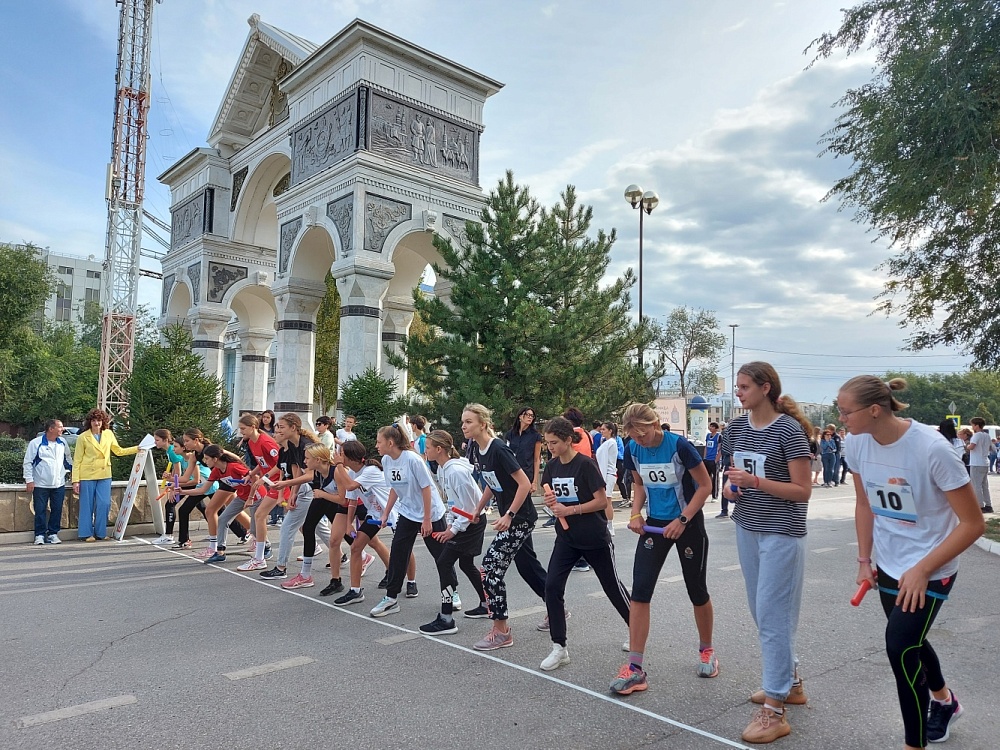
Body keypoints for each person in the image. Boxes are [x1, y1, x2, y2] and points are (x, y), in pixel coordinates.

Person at [840, 376, 984, 749]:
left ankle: (913, 743)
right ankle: (944, 701)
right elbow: (863, 504)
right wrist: (863, 559)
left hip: (932, 566)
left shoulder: (932, 449)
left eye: (845, 411)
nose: (840, 419)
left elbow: (972, 523)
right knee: (912, 641)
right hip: (888, 563)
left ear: (874, 410)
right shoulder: (855, 443)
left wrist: (922, 569)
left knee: (899, 645)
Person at [721, 361, 813, 744]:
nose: (738, 392)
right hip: (748, 526)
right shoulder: (736, 428)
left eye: (744, 386)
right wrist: (731, 490)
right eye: (736, 386)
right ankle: (790, 681)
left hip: (782, 532)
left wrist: (756, 480)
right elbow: (729, 476)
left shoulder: (789, 431)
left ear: (765, 388)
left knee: (774, 616)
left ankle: (774, 711)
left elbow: (803, 491)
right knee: (762, 611)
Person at [610, 403, 717, 696]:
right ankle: (635, 669)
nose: (639, 441)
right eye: (634, 436)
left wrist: (683, 520)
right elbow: (639, 484)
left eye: (642, 435)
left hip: (687, 523)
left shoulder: (679, 446)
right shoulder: (633, 448)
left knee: (697, 590)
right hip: (655, 525)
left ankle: (707, 650)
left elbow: (705, 486)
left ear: (655, 425)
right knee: (640, 591)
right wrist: (635, 513)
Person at [540, 417, 631, 671]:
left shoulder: (585, 465)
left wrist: (571, 510)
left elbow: (602, 501)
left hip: (594, 538)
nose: (551, 448)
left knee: (612, 587)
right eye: (548, 443)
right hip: (566, 539)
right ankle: (560, 647)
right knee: (552, 586)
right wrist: (550, 502)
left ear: (569, 440)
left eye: (555, 442)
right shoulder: (552, 466)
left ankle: (637, 629)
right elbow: (548, 494)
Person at [464, 403, 548, 651]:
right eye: (463, 422)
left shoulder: (499, 448)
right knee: (528, 567)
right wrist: (478, 508)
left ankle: (501, 631)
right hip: (511, 517)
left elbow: (523, 484)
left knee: (489, 569)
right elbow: (492, 482)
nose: (464, 426)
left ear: (483, 423)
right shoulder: (479, 449)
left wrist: (509, 514)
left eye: (468, 421)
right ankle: (557, 609)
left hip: (520, 518)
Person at [367, 424, 451, 617]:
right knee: (398, 552)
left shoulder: (412, 459)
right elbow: (394, 488)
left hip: (431, 512)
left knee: (441, 556)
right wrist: (386, 513)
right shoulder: (387, 460)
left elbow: (426, 488)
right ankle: (391, 598)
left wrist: (427, 519)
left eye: (379, 442)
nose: (376, 445)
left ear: (390, 442)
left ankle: (451, 592)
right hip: (408, 512)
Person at [419, 430, 491, 634]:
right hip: (465, 521)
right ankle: (487, 604)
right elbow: (453, 503)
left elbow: (471, 508)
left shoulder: (455, 472)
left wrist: (454, 530)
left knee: (444, 562)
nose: (426, 452)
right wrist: (451, 525)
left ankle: (446, 618)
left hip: (472, 522)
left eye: (428, 448)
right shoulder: (443, 469)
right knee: (466, 563)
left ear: (439, 449)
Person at [333, 440, 408, 605]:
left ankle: (411, 581)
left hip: (394, 512)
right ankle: (355, 591)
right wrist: (348, 525)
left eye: (341, 453)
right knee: (356, 547)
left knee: (403, 549)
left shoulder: (371, 470)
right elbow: (351, 500)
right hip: (375, 514)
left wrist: (339, 465)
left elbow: (351, 486)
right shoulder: (352, 473)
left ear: (350, 456)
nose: (337, 456)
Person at [72, 408, 138, 542]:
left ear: (104, 422)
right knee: (87, 505)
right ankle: (86, 533)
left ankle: (101, 533)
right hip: (87, 475)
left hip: (105, 474)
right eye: (94, 421)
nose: (97, 423)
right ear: (89, 422)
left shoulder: (109, 434)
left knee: (104, 503)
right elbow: (77, 460)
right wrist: (75, 481)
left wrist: (138, 448)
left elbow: (118, 451)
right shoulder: (83, 437)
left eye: (99, 420)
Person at [23, 419, 71, 545]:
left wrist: (74, 476)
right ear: (51, 429)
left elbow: (68, 460)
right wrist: (29, 480)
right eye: (60, 427)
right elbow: (28, 462)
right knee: (40, 510)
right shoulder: (36, 443)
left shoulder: (63, 442)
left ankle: (53, 534)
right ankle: (39, 535)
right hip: (40, 484)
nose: (63, 429)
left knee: (57, 509)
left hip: (58, 483)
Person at [505, 407, 542, 496]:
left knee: (524, 503)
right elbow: (506, 454)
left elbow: (537, 459)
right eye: (527, 415)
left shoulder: (535, 436)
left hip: (526, 474)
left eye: (532, 416)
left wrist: (534, 482)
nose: (530, 417)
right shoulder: (511, 434)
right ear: (520, 416)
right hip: (511, 473)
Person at [965, 417, 994, 513]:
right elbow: (992, 448)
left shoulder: (976, 435)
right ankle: (988, 505)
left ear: (976, 425)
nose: (972, 427)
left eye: (972, 425)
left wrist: (966, 446)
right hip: (985, 463)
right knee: (984, 485)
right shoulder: (987, 435)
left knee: (976, 485)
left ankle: (980, 506)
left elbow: (972, 447)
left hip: (976, 463)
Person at [594, 422, 620, 502]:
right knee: (605, 500)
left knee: (607, 500)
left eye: (604, 429)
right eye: (601, 429)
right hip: (606, 473)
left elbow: (604, 461)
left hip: (608, 473)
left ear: (610, 431)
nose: (601, 431)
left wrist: (602, 478)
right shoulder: (607, 443)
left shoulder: (611, 443)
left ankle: (608, 515)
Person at [704, 421, 721, 502]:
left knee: (715, 478)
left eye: (712, 426)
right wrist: (704, 457)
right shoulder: (708, 435)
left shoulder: (719, 436)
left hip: (714, 459)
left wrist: (716, 459)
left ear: (716, 428)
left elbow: (720, 448)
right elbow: (706, 447)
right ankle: (705, 494)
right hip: (707, 459)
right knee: (706, 478)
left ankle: (715, 496)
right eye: (709, 426)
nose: (710, 428)